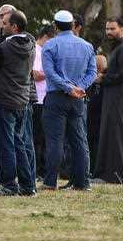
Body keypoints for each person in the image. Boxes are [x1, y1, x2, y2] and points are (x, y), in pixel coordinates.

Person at [0, 10, 36, 196]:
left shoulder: (6, 46)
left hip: (4, 99)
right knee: (19, 143)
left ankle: (10, 185)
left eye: (4, 23)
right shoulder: (31, 44)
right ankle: (28, 185)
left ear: (14, 27)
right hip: (22, 99)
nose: (1, 26)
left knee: (6, 144)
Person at [40, 10, 97, 191]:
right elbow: (92, 73)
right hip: (78, 98)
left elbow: (50, 73)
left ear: (55, 26)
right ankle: (82, 182)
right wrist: (79, 87)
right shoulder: (87, 46)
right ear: (73, 25)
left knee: (55, 141)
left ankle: (50, 182)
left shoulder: (50, 45)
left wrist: (67, 87)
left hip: (57, 97)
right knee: (79, 140)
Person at [92, 17, 123, 184]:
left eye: (112, 29)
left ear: (122, 29)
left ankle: (117, 175)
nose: (109, 32)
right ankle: (109, 174)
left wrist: (102, 79)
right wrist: (106, 72)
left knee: (118, 138)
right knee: (112, 137)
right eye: (107, 29)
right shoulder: (117, 49)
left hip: (120, 103)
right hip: (114, 100)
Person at [32, 25, 55, 179]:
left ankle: (42, 170)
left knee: (44, 138)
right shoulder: (35, 50)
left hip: (45, 99)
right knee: (36, 138)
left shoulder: (45, 52)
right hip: (36, 100)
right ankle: (36, 170)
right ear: (46, 36)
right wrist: (51, 71)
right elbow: (34, 74)